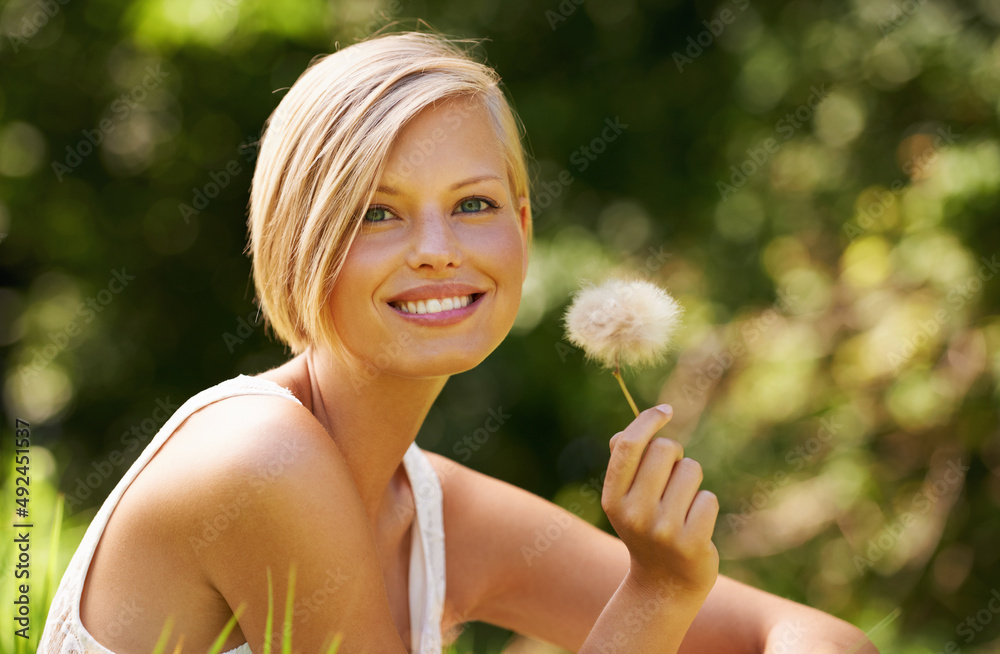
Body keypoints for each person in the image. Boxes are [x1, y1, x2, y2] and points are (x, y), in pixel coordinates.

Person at [40, 29, 879, 654]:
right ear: (300, 241)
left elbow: (814, 639)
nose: (438, 247)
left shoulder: (432, 509)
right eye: (377, 212)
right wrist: (655, 593)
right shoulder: (259, 462)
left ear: (521, 226)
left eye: (474, 204)